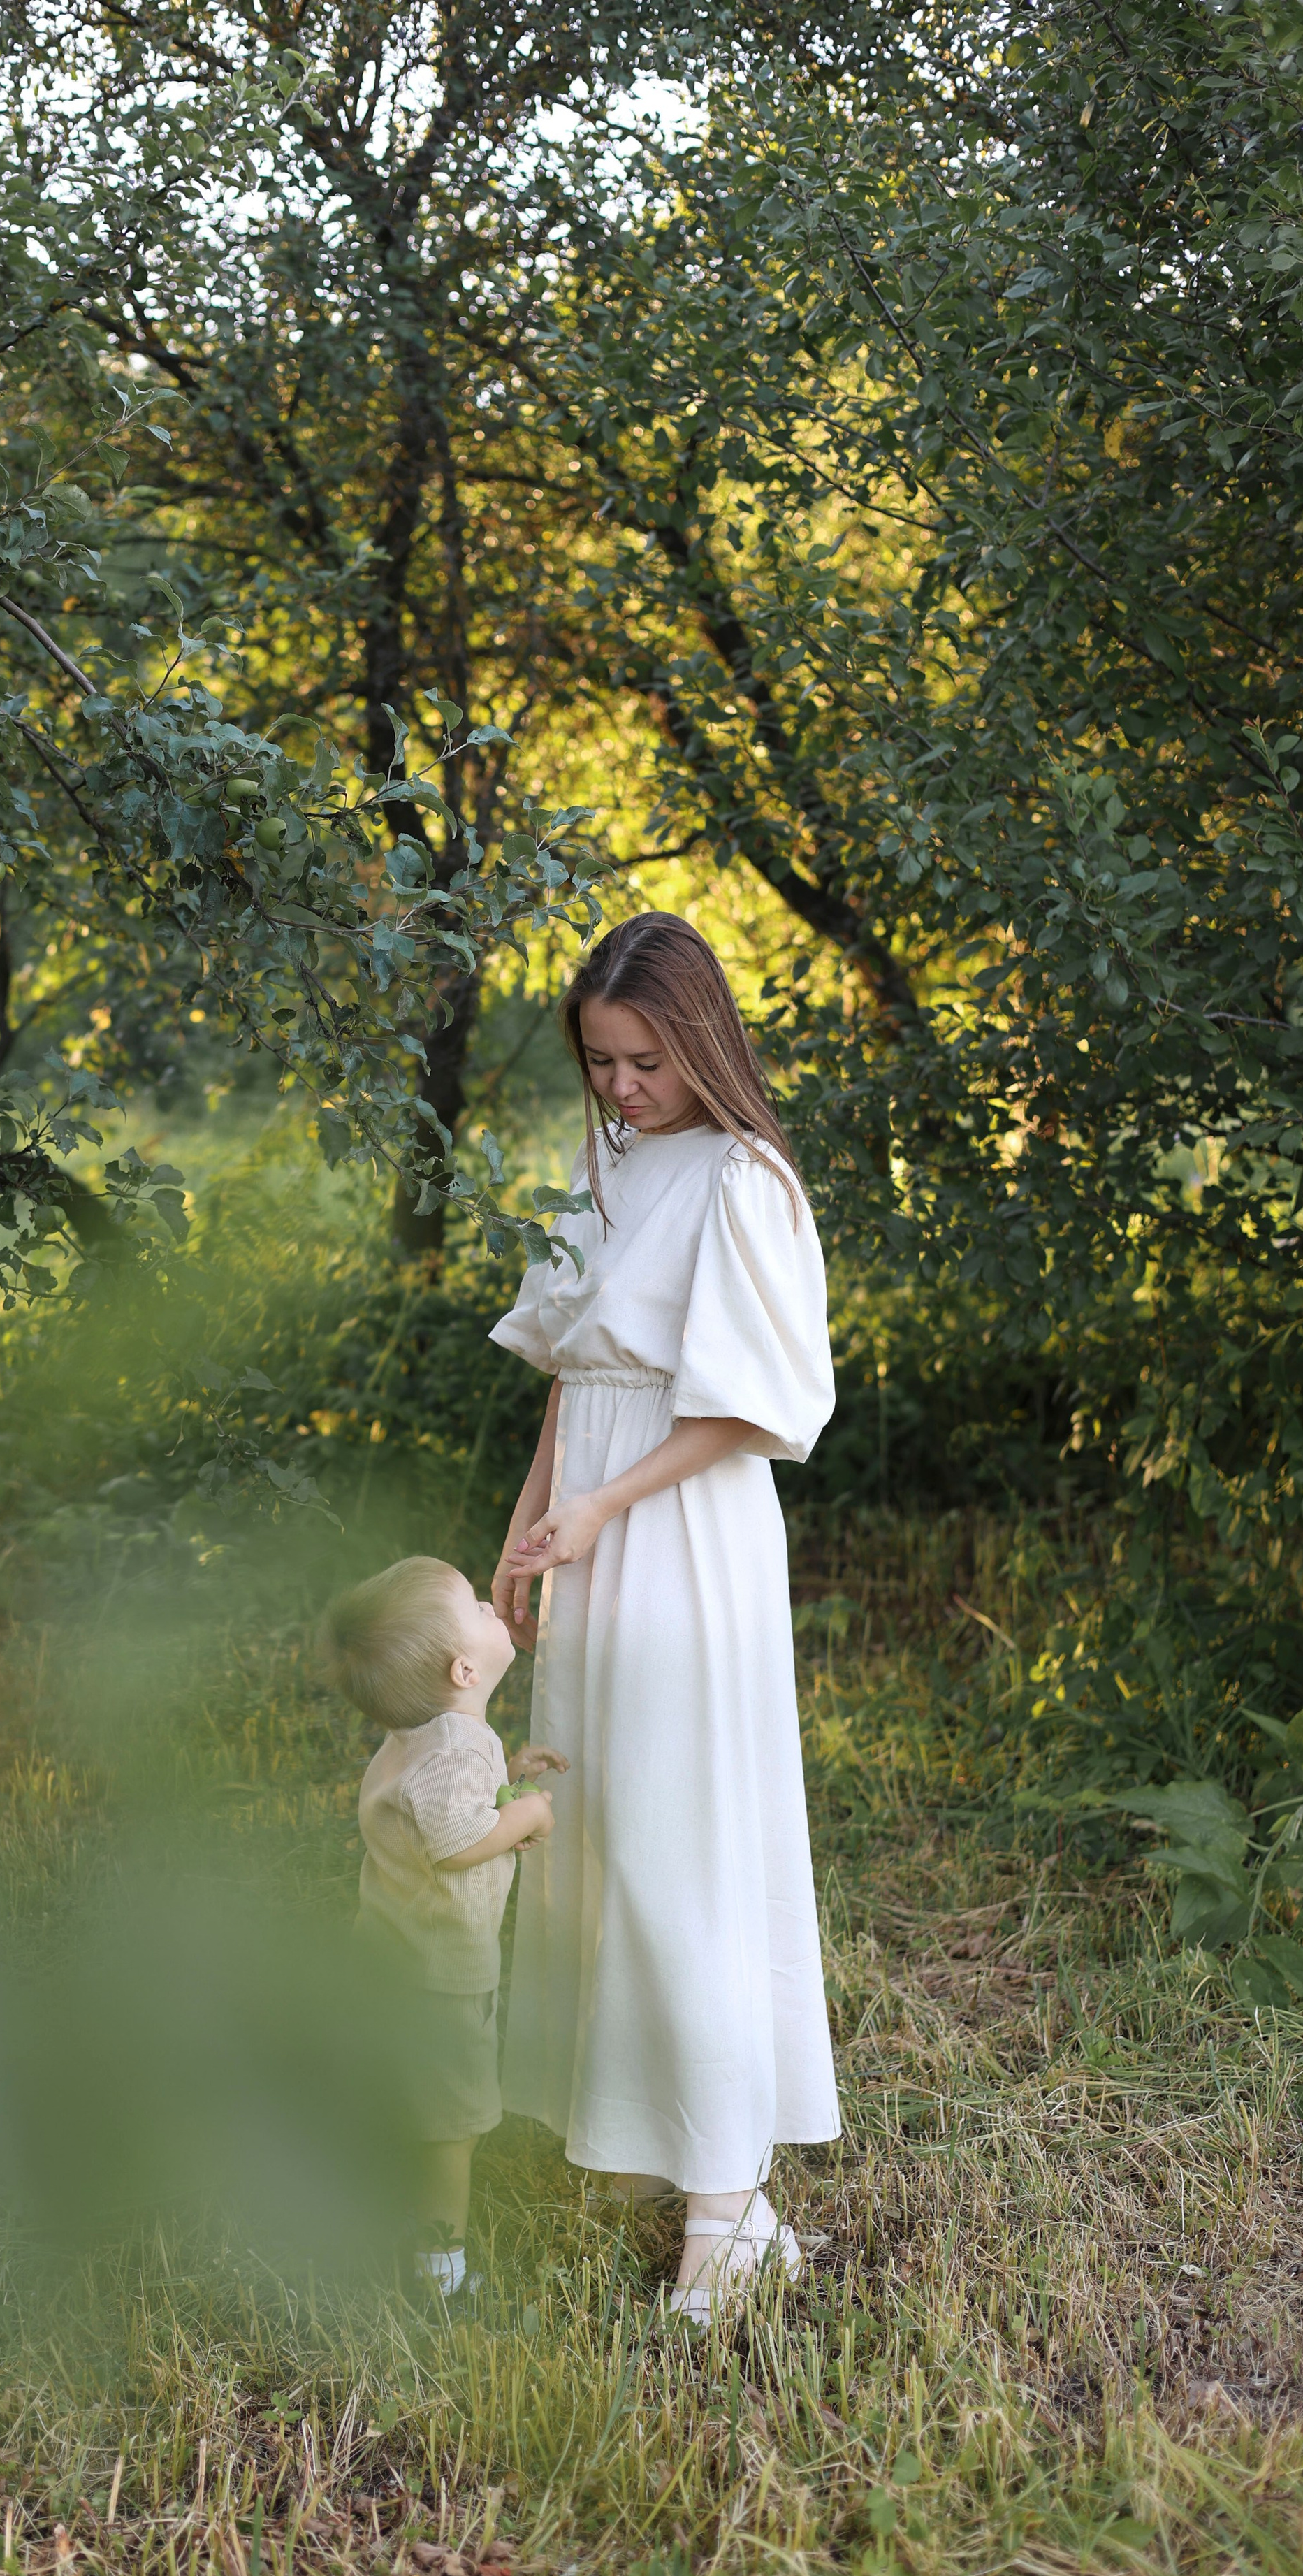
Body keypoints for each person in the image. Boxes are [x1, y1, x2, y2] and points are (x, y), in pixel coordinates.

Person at [488, 911, 841, 2319]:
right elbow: (572, 1377)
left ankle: (727, 2206)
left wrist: (602, 1506)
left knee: (676, 1843)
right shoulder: (606, 1165)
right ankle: (663, 2146)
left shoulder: (744, 1180)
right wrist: (524, 1531)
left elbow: (745, 1412)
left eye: (642, 1060)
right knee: (601, 1832)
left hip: (679, 1530)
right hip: (589, 1514)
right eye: (598, 1062)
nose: (621, 1088)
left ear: (696, 1040)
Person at [319, 1555, 568, 2297]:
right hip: (440, 1976)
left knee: (403, 2094)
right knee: (449, 2122)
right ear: (465, 1670)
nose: (493, 1610)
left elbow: (454, 1812)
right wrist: (527, 1812)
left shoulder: (418, 1741)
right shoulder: (457, 1749)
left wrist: (510, 1781)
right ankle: (440, 2270)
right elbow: (458, 1844)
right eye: (478, 1607)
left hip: (392, 1953)